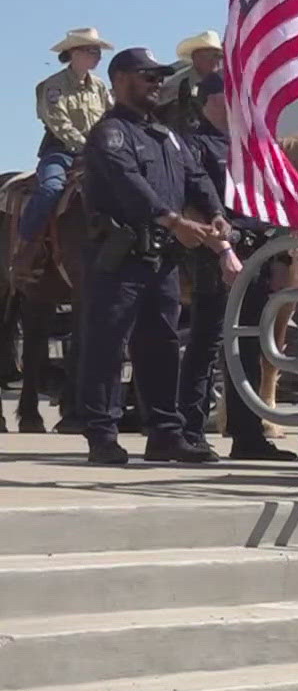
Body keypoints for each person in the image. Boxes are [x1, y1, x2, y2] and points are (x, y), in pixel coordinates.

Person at [71, 47, 228, 464]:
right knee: (107, 345)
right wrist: (175, 222)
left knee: (160, 344)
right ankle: (101, 436)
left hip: (161, 260)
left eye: (160, 76)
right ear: (121, 79)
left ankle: (165, 433)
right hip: (119, 256)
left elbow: (196, 176)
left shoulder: (168, 136)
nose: (157, 82)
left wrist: (215, 214)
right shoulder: (110, 134)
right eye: (148, 75)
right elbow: (129, 185)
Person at [175, 73, 292, 463]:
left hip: (256, 253)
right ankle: (189, 431)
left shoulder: (247, 145)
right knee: (209, 341)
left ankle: (248, 435)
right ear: (211, 99)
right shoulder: (195, 145)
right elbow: (193, 203)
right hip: (217, 255)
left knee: (250, 343)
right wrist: (224, 244)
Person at [20, 28, 114, 260]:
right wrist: (87, 147)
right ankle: (26, 246)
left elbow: (112, 117)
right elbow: (59, 123)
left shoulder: (100, 87)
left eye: (98, 51)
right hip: (60, 153)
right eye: (91, 50)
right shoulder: (53, 86)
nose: (98, 56)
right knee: (51, 189)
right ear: (74, 53)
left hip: (97, 154)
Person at [158, 30, 222, 132]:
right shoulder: (178, 84)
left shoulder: (224, 82)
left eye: (219, 56)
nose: (217, 61)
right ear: (196, 58)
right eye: (213, 56)